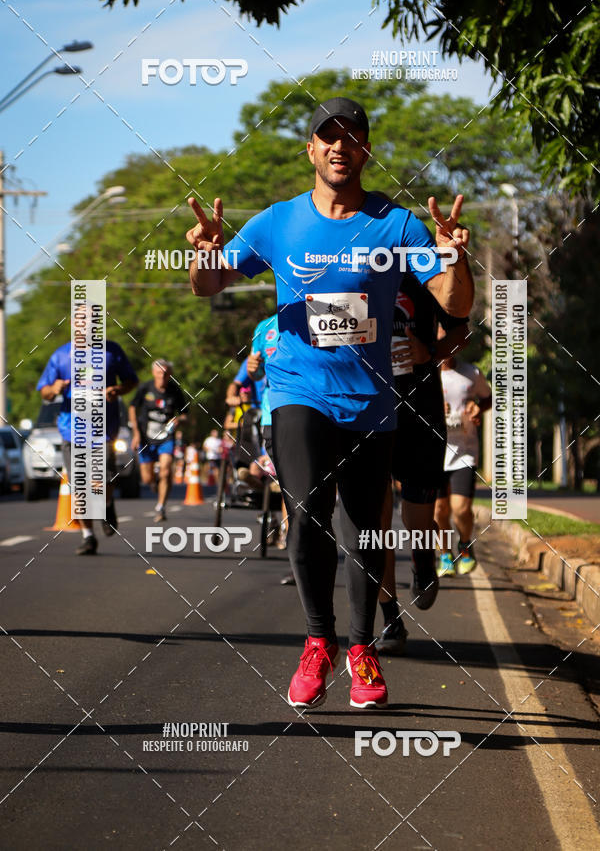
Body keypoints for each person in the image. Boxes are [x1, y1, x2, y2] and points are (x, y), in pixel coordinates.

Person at [187, 96, 473, 709]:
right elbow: (211, 285)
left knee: (366, 528)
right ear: (311, 149)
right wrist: (204, 256)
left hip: (372, 400)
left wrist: (455, 258)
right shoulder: (276, 222)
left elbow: (456, 302)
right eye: (329, 136)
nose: (341, 146)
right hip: (298, 389)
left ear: (366, 150)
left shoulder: (396, 226)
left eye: (353, 136)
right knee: (308, 506)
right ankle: (318, 644)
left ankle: (362, 648)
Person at [375, 270, 470, 654]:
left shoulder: (425, 278)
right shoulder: (344, 272)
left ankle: (424, 561)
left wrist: (428, 353)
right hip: (363, 407)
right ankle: (390, 619)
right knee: (373, 522)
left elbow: (461, 330)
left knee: (417, 519)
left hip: (419, 411)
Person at [37, 324, 138, 555]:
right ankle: (88, 537)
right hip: (71, 430)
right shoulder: (61, 355)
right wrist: (54, 387)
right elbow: (44, 390)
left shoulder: (112, 351)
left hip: (103, 430)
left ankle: (107, 505)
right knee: (80, 486)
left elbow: (132, 381)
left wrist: (117, 390)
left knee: (102, 482)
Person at [434, 354, 492, 576]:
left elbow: (487, 399)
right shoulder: (423, 374)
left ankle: (465, 546)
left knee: (460, 509)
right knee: (439, 510)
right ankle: (446, 555)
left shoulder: (472, 373)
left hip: (464, 453)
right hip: (435, 453)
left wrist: (478, 408)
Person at [247, 314, 288, 554]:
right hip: (272, 414)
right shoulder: (265, 327)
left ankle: (291, 535)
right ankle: (289, 533)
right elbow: (256, 372)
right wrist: (253, 369)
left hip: (310, 409)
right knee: (288, 481)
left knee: (292, 482)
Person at [129, 359, 187, 522]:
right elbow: (133, 407)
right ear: (154, 373)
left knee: (166, 470)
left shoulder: (175, 390)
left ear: (170, 375)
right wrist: (136, 433)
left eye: (166, 373)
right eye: (159, 372)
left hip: (166, 437)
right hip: (146, 437)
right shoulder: (145, 388)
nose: (162, 376)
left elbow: (185, 413)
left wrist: (179, 420)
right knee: (147, 478)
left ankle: (160, 507)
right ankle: (154, 483)